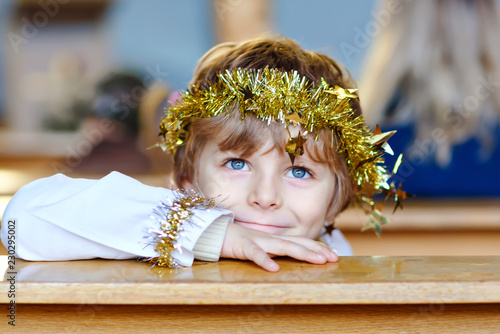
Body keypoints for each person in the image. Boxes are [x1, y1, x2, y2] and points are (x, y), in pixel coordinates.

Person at [1, 36, 404, 272]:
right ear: (186, 181)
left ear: (339, 198)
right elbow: (21, 218)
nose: (265, 197)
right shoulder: (156, 225)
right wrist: (213, 233)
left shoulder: (335, 254)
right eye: (237, 163)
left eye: (299, 172)